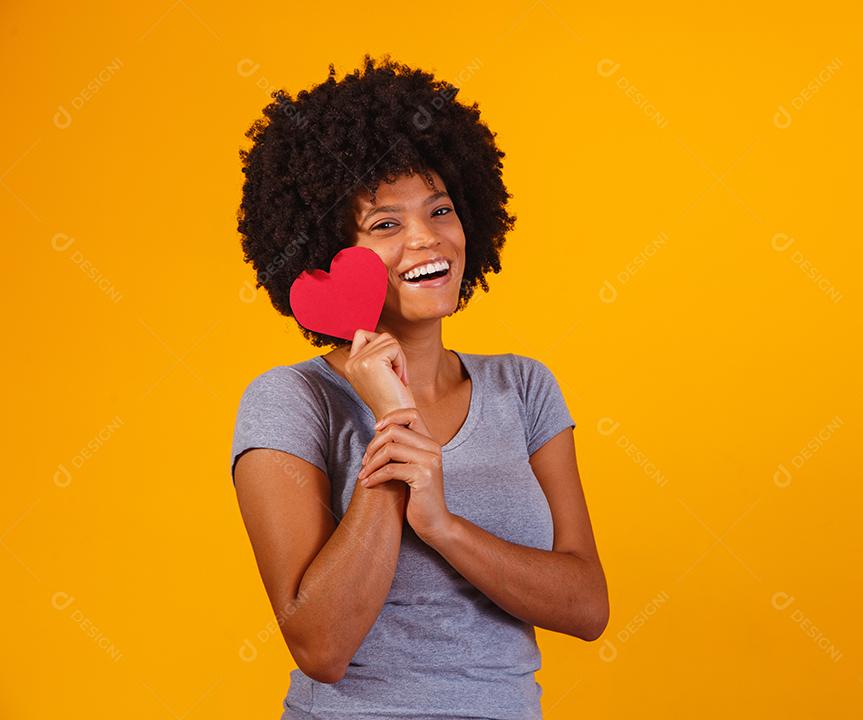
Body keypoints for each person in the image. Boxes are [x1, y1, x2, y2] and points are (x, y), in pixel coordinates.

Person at [230, 54, 608, 719]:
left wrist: (443, 525)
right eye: (385, 224)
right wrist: (393, 426)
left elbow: (586, 606)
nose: (426, 239)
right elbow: (321, 646)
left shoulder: (523, 388)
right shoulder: (291, 403)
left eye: (440, 209)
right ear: (325, 253)